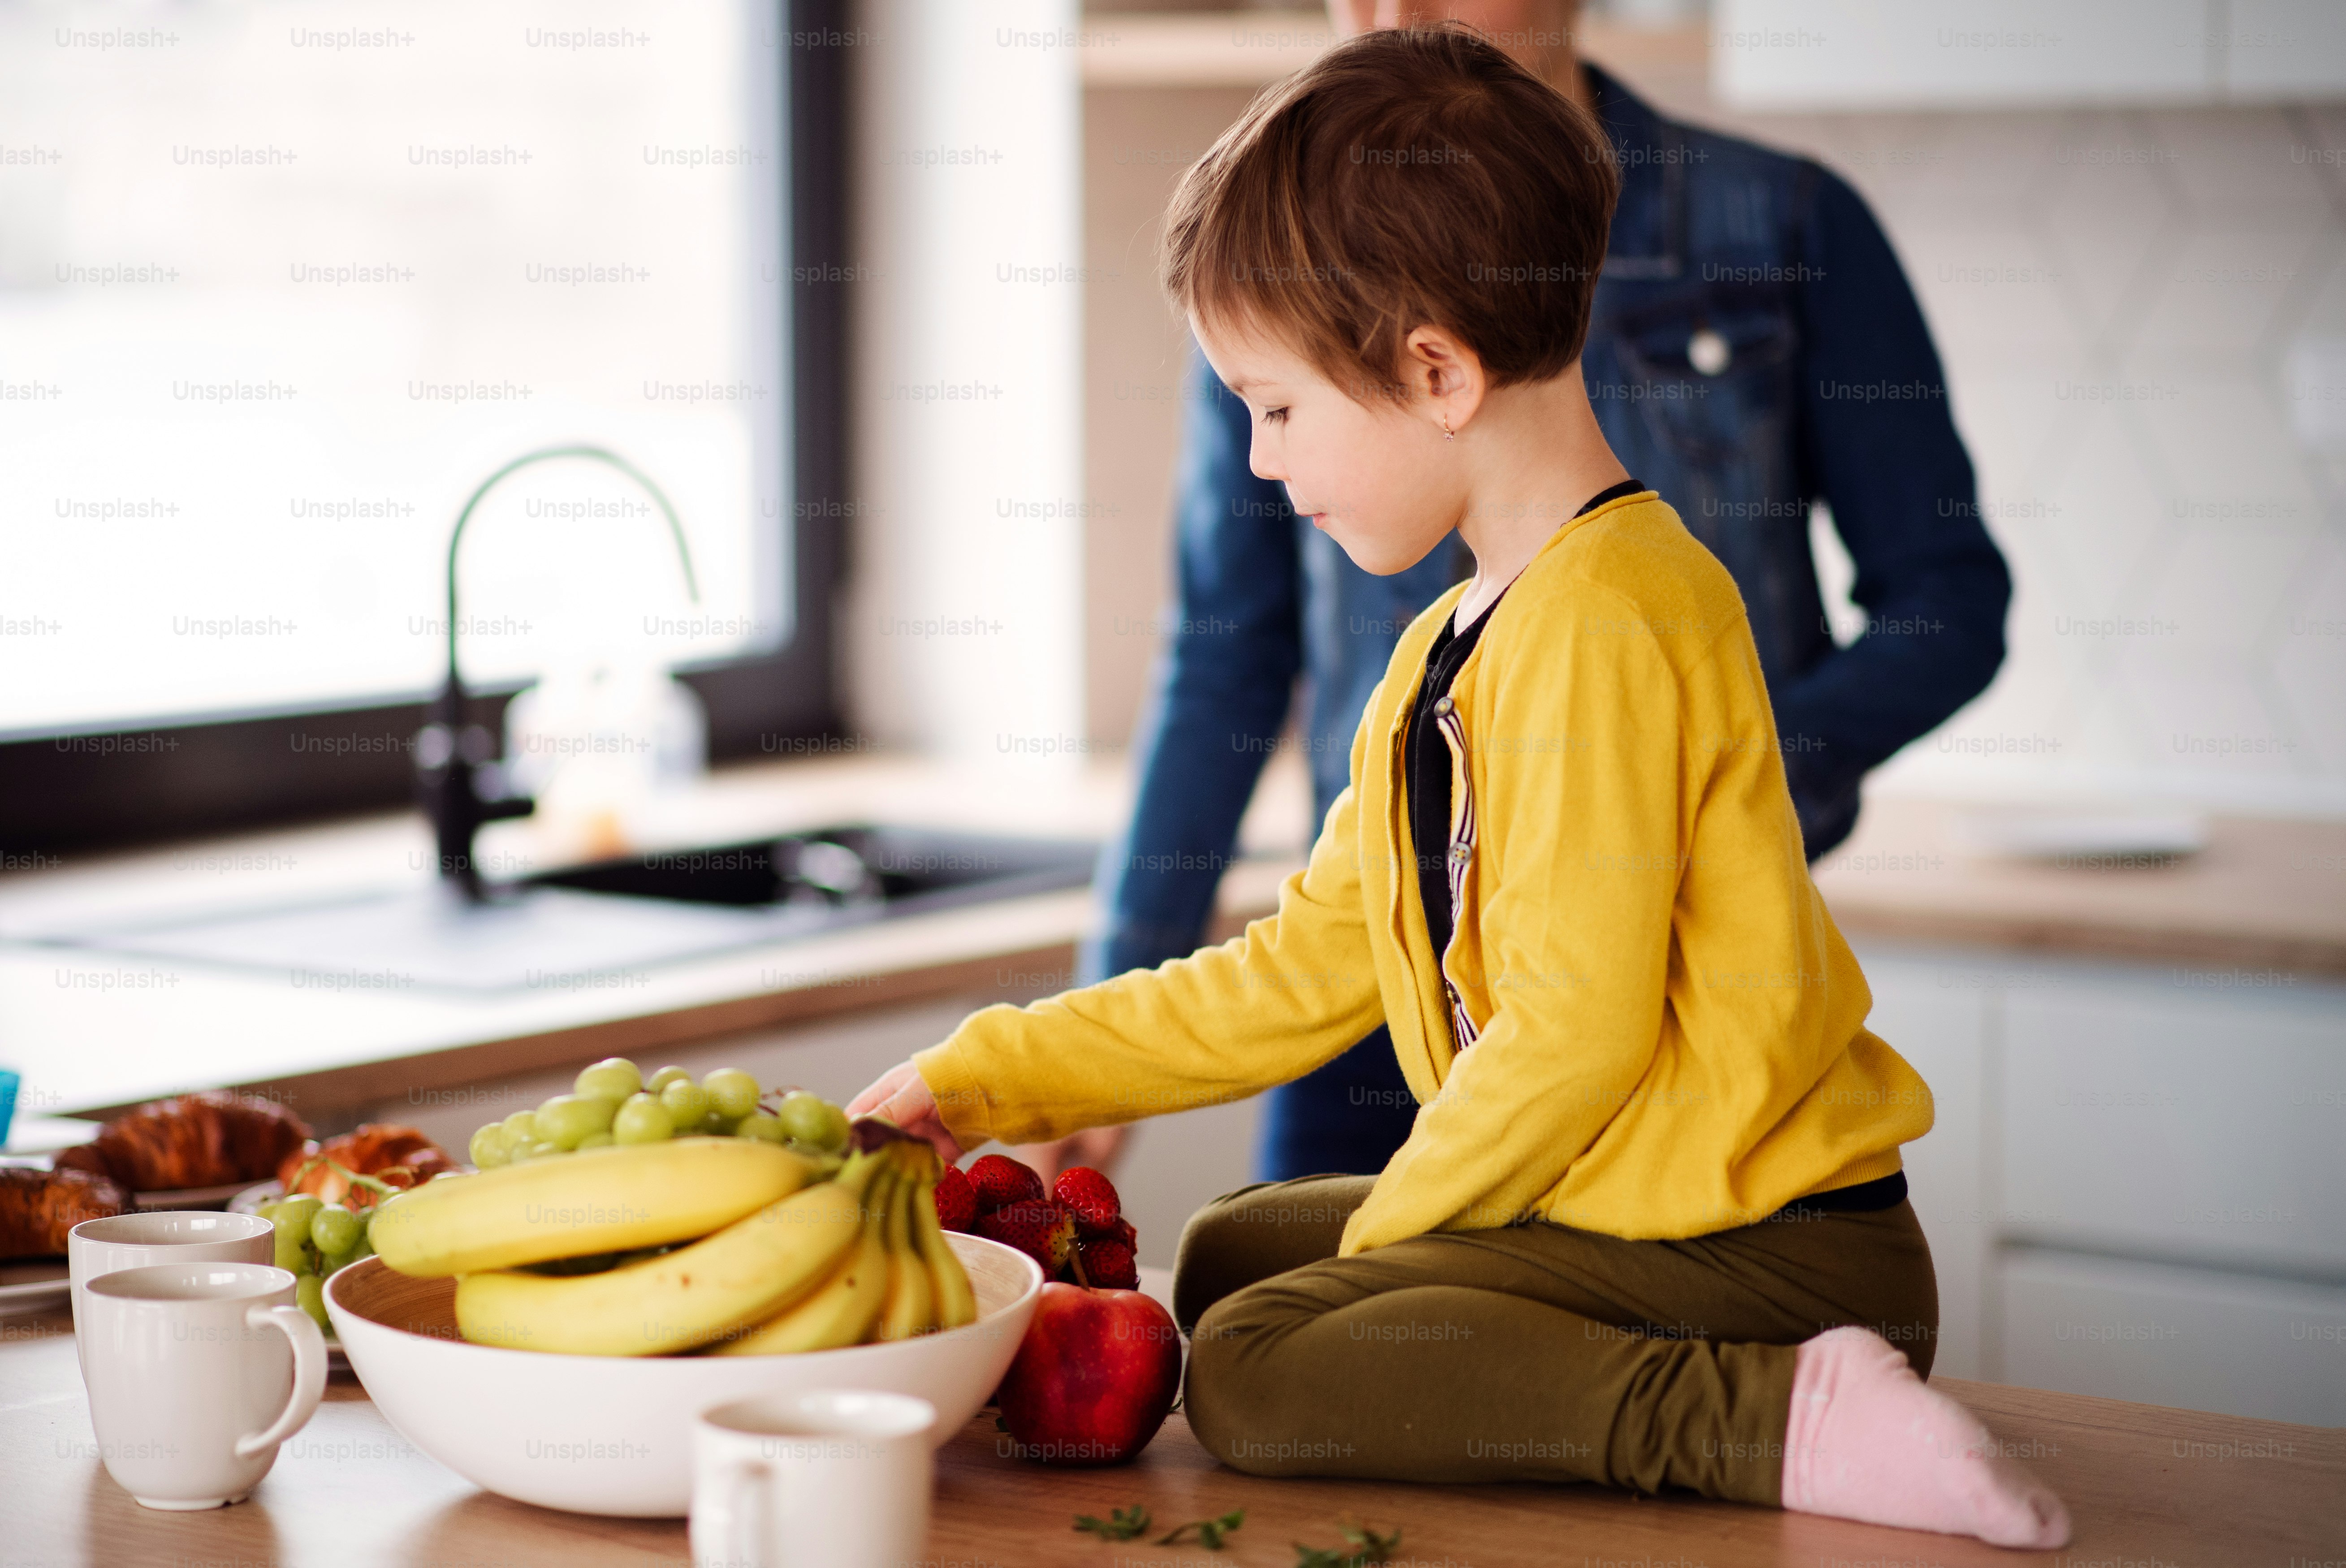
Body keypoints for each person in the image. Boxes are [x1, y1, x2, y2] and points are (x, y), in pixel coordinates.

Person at [853, 28, 2066, 1545]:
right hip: (1634, 1207)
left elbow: (1572, 1032)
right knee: (1233, 1260)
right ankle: (1663, 1367)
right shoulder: (1447, 642)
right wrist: (979, 1075)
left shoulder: (1611, 614)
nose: (1259, 460)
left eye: (1279, 409)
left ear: (1434, 370)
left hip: (1766, 1247)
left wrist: (1382, 1253)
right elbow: (1301, 974)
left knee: (1258, 1369)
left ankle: (1782, 1413)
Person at [1032, 0, 2008, 1187]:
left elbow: (1945, 600)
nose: (1389, 14)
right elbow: (1222, 658)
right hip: (1370, 961)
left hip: (1653, 977)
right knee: (1274, 1312)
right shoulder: (1276, 259)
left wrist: (1695, 798)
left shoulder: (1785, 226)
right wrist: (1094, 1025)